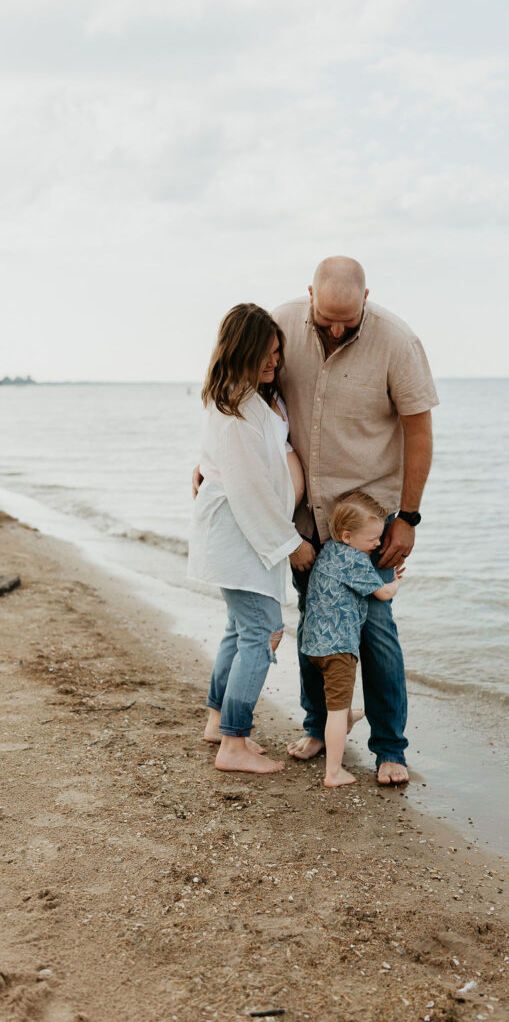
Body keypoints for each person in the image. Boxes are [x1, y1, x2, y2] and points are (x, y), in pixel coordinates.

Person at [193, 257, 438, 785]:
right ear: (309, 295)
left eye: (348, 320)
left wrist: (409, 517)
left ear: (367, 298)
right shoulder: (281, 326)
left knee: (375, 630)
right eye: (326, 317)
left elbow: (419, 433)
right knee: (316, 625)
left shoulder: (398, 343)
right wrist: (210, 463)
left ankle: (389, 748)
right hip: (305, 518)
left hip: (364, 517)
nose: (334, 328)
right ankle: (316, 724)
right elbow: (242, 397)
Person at [188, 303, 315, 775]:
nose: (274, 362)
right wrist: (291, 543)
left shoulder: (248, 397)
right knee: (262, 633)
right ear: (240, 352)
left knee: (239, 630)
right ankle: (234, 743)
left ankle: (219, 720)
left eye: (278, 353)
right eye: (265, 354)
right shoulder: (236, 409)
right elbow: (248, 489)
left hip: (243, 535)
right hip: (241, 534)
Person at [301, 492, 403, 787]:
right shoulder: (356, 561)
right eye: (373, 539)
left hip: (313, 645)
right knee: (334, 711)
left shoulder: (330, 551)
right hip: (339, 650)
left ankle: (347, 715)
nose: (378, 544)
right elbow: (382, 594)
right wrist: (395, 581)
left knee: (336, 697)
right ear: (348, 536)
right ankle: (333, 772)